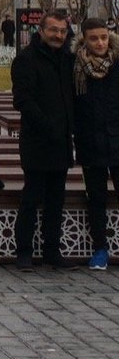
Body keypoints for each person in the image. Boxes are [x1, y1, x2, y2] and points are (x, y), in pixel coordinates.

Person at [11, 9, 74, 270]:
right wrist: (48, 126)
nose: (58, 35)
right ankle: (24, 251)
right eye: (53, 30)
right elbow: (23, 101)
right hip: (37, 141)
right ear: (42, 31)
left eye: (62, 31)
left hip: (61, 141)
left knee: (56, 199)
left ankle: (52, 251)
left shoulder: (68, 60)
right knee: (32, 197)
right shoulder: (26, 60)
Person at [73, 17, 119, 270]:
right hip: (90, 142)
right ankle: (100, 248)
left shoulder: (117, 64)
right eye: (94, 38)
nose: (100, 43)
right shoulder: (77, 67)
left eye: (103, 37)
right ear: (85, 39)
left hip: (116, 138)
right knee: (96, 198)